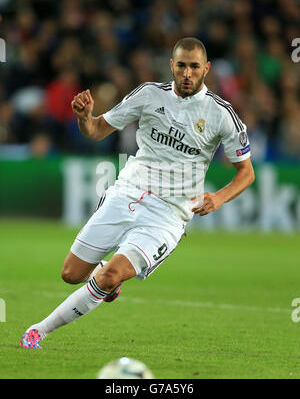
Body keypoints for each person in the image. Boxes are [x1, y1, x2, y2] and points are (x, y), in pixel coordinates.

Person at [20, 37, 255, 349]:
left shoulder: (221, 114)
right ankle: (109, 281)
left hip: (167, 215)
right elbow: (96, 131)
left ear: (206, 69)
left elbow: (247, 172)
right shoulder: (148, 94)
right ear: (172, 65)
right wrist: (83, 118)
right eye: (182, 65)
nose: (187, 73)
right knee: (71, 274)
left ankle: (39, 331)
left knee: (108, 276)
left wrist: (219, 197)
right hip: (126, 194)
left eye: (194, 66)